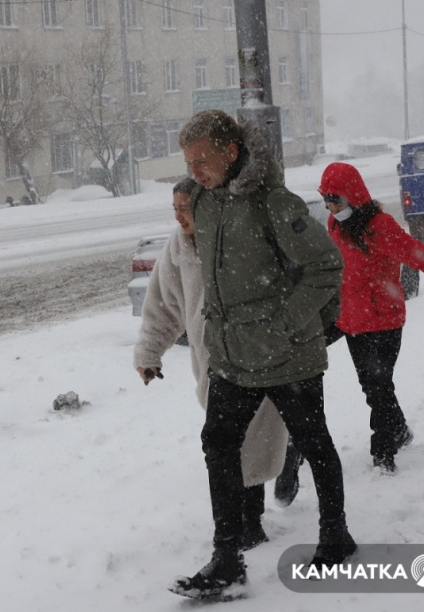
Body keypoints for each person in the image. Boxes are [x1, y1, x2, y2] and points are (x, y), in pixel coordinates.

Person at [170, 110, 354, 600]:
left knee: (314, 442)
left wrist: (284, 325)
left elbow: (325, 266)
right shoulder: (204, 203)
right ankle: (227, 557)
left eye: (202, 160)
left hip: (288, 356)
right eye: (188, 162)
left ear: (231, 153)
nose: (195, 170)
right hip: (232, 358)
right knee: (219, 444)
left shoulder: (273, 202)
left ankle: (335, 537)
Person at [274, 162, 424, 502]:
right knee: (338, 373)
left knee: (377, 385)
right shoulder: (335, 224)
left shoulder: (381, 227)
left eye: (337, 203)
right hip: (347, 318)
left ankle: (383, 451)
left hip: (382, 321)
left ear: (355, 198)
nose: (331, 210)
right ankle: (391, 430)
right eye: (328, 203)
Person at [133, 178, 289, 554]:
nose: (179, 216)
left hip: (258, 355)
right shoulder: (179, 247)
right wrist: (149, 352)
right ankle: (242, 525)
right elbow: (165, 304)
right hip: (211, 361)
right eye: (174, 209)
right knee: (229, 443)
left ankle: (247, 525)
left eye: (185, 208)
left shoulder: (236, 236)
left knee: (252, 436)